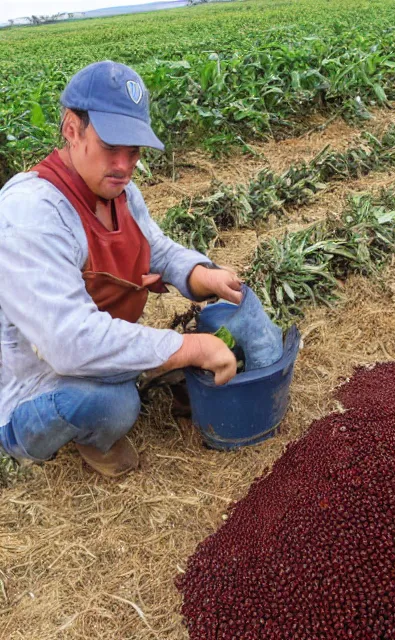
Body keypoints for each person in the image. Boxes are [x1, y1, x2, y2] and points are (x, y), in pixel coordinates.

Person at [0, 60, 242, 478]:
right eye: (112, 147)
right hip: (32, 385)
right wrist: (189, 349)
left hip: (87, 349)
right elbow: (70, 342)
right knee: (114, 405)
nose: (126, 165)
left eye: (135, 152)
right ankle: (89, 435)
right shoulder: (32, 212)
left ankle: (132, 370)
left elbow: (155, 247)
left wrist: (199, 274)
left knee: (154, 358)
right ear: (72, 129)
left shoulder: (118, 189)